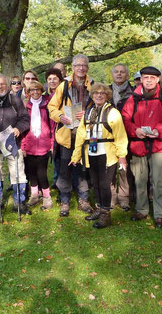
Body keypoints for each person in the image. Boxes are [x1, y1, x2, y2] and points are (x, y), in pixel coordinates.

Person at [121, 66, 162, 228]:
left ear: (157, 79)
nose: (149, 81)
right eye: (146, 78)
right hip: (138, 144)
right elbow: (125, 119)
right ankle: (141, 209)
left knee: (159, 180)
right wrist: (134, 130)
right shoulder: (134, 98)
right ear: (141, 79)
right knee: (140, 179)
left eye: (152, 78)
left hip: (158, 145)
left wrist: (159, 132)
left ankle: (160, 214)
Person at [71, 83, 128, 228]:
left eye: (102, 93)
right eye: (96, 93)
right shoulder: (89, 112)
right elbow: (81, 135)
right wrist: (76, 156)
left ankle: (105, 214)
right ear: (92, 95)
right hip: (91, 152)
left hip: (107, 154)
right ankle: (99, 208)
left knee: (104, 184)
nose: (99, 95)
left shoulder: (113, 113)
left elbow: (120, 135)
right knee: (95, 183)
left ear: (107, 95)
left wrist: (122, 156)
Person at [47, 54, 94, 217]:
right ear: (73, 67)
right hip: (66, 135)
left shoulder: (93, 85)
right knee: (65, 168)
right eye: (77, 65)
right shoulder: (63, 85)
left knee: (83, 168)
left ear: (87, 68)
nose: (81, 68)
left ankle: (83, 199)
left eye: (84, 65)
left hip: (86, 136)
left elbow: (101, 107)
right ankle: (65, 200)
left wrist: (87, 114)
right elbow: (51, 106)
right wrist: (60, 117)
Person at [0, 74, 30, 214]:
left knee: (18, 172)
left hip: (13, 143)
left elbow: (25, 119)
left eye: (2, 84)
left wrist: (18, 129)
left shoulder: (15, 101)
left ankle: (19, 202)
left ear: (8, 86)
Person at [22, 81, 54, 210]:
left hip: (43, 144)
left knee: (42, 173)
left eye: (38, 89)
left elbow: (52, 127)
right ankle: (34, 195)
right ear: (28, 93)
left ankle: (47, 197)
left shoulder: (47, 105)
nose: (35, 92)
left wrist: (52, 144)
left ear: (42, 90)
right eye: (32, 90)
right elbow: (23, 128)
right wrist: (23, 146)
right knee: (31, 173)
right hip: (29, 144)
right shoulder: (25, 107)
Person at [108, 63, 134, 210]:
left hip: (127, 134)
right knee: (110, 167)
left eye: (122, 72)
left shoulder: (133, 92)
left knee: (124, 168)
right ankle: (111, 196)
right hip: (109, 135)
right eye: (116, 72)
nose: (119, 74)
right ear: (112, 74)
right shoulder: (106, 91)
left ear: (127, 75)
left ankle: (124, 197)